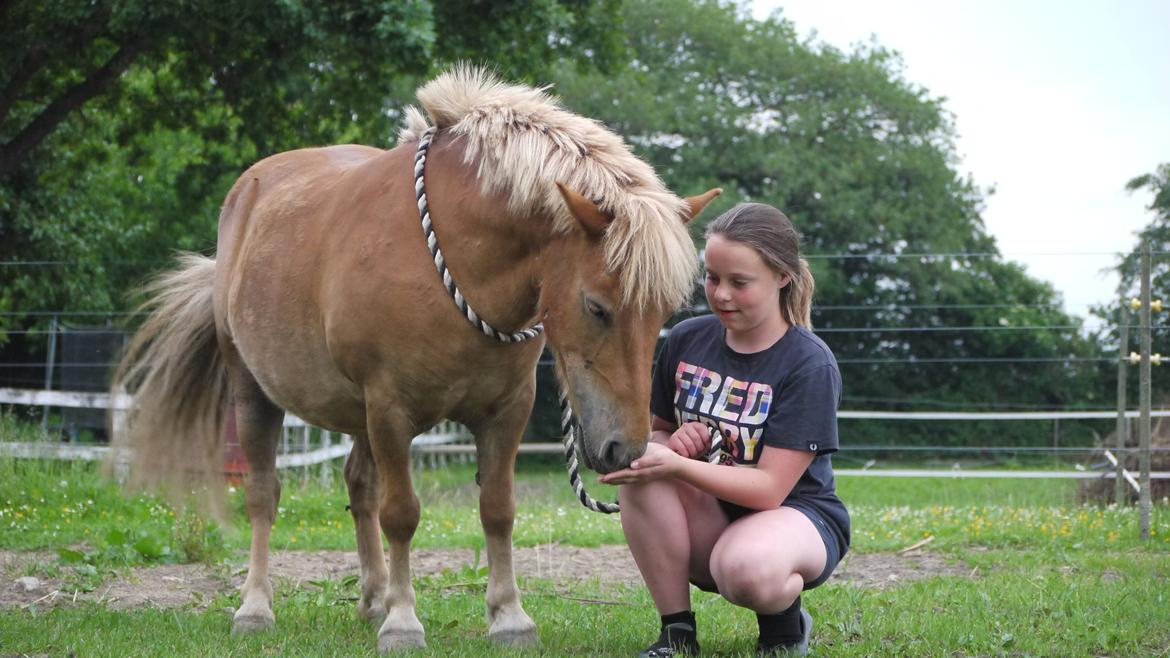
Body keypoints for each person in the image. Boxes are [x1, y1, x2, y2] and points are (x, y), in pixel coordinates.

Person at [599, 203, 850, 657]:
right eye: (712, 278)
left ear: (782, 277)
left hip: (794, 518)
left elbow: (770, 489)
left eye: (739, 282)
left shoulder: (809, 364)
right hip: (711, 512)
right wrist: (671, 446)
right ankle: (676, 635)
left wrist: (677, 465)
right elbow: (658, 434)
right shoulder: (685, 340)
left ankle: (783, 630)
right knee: (642, 472)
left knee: (746, 569)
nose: (721, 295)